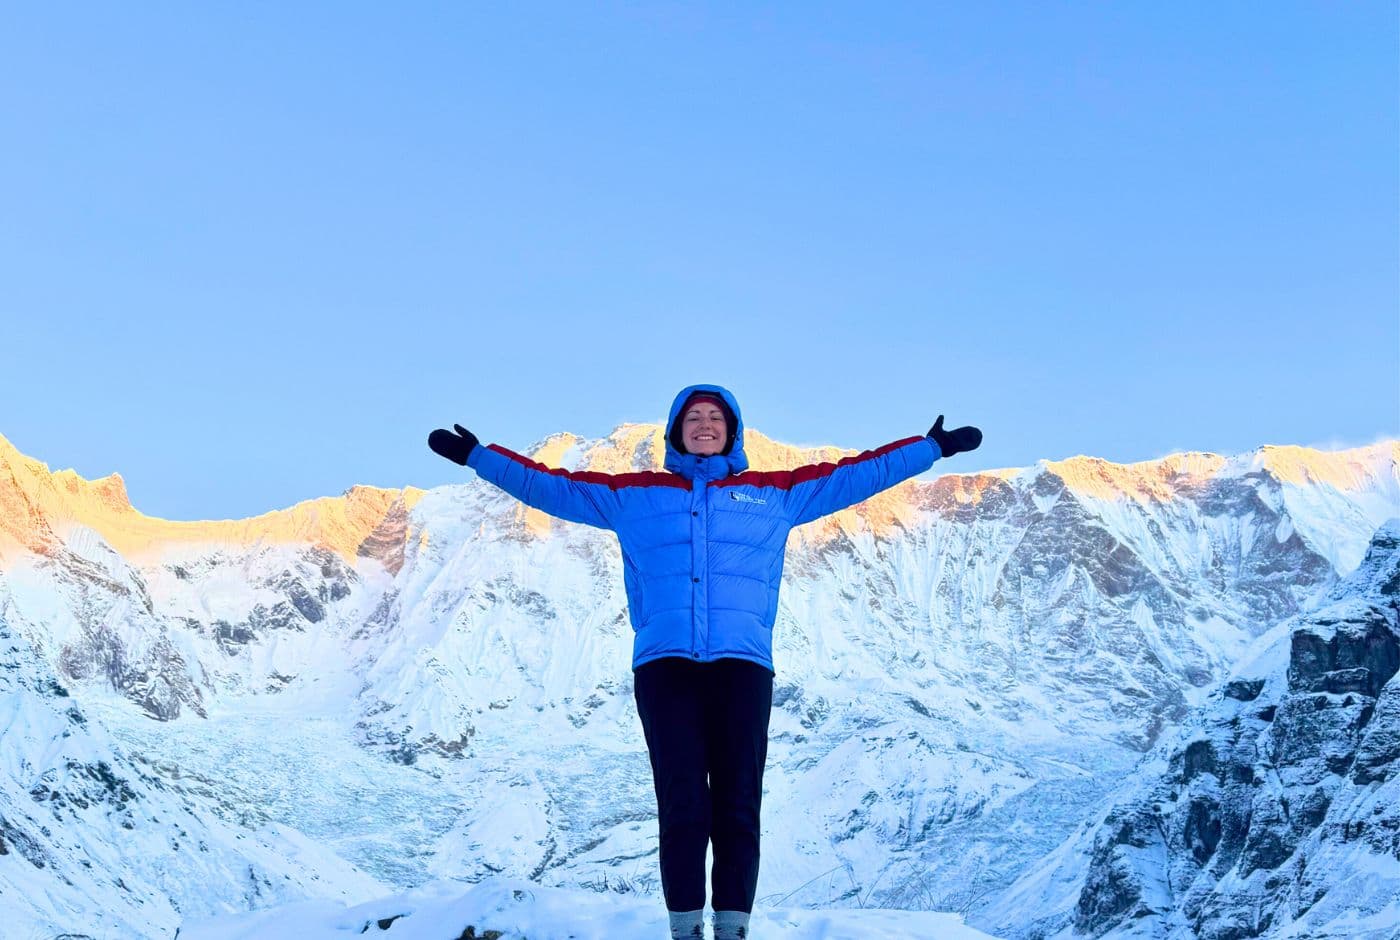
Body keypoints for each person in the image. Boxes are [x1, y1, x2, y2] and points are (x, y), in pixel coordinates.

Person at [428, 384, 983, 939]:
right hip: (665, 668)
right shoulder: (633, 495)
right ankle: (687, 929)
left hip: (742, 668)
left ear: (732, 430)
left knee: (739, 804)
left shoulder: (777, 493)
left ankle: (734, 928)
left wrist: (928, 448)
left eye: (715, 417)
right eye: (693, 417)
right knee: (683, 803)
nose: (704, 424)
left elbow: (856, 475)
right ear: (674, 431)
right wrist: (480, 457)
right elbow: (554, 487)